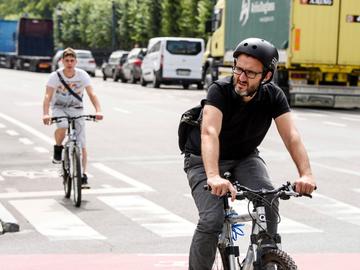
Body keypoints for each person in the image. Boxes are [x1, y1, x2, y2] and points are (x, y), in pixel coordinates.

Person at [183, 38, 316, 270]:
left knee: (268, 199)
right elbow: (209, 132)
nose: (241, 77)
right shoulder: (220, 91)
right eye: (238, 69)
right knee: (212, 220)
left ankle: (266, 258)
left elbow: (291, 136)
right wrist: (213, 176)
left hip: (244, 157)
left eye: (250, 73)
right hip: (203, 160)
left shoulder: (273, 96)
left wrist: (306, 174)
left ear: (266, 76)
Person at [42, 48, 103, 188]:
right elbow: (47, 96)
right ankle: (58, 147)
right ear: (62, 61)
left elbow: (92, 94)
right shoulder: (55, 76)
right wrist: (46, 113)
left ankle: (82, 175)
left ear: (76, 61)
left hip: (77, 109)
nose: (69, 63)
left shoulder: (82, 75)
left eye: (72, 60)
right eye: (66, 61)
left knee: (81, 144)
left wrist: (98, 110)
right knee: (62, 126)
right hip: (59, 108)